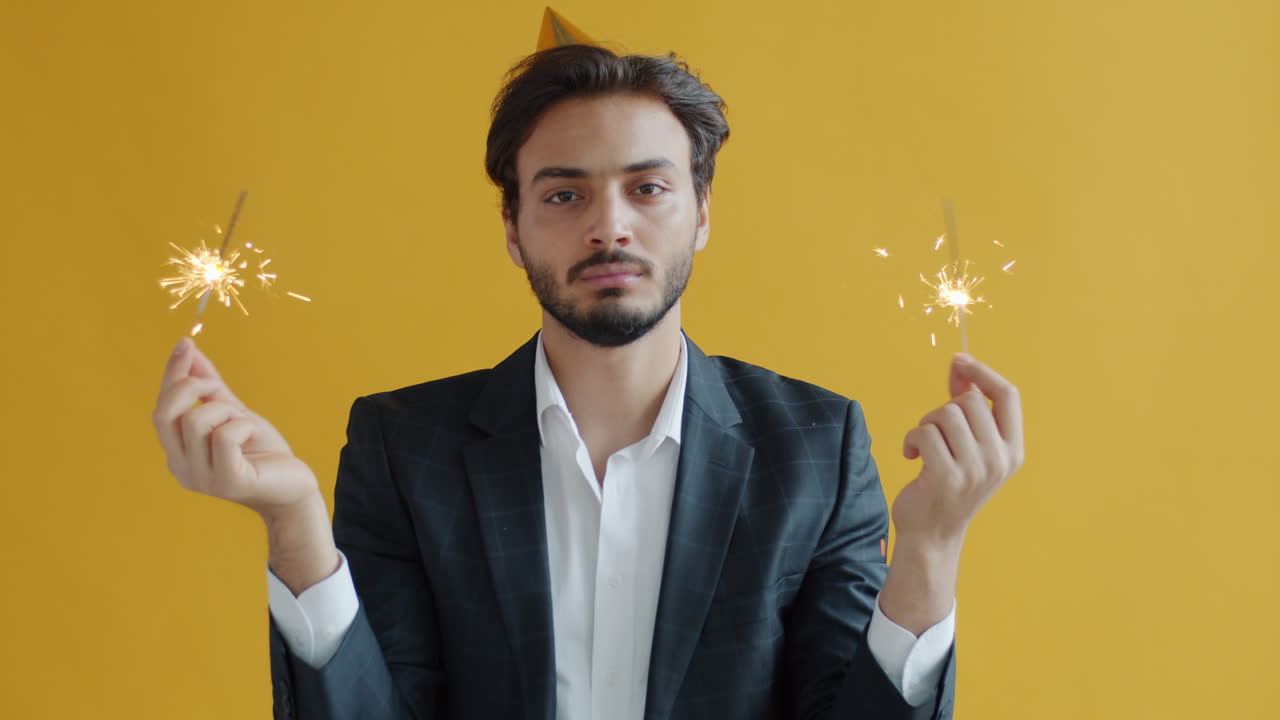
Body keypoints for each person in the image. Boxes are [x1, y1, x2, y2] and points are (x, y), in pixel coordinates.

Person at [152, 45, 1023, 720]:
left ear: (701, 212)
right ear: (513, 226)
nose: (610, 227)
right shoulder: (403, 447)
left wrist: (932, 548)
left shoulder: (816, 449)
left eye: (648, 188)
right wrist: (294, 526)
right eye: (565, 196)